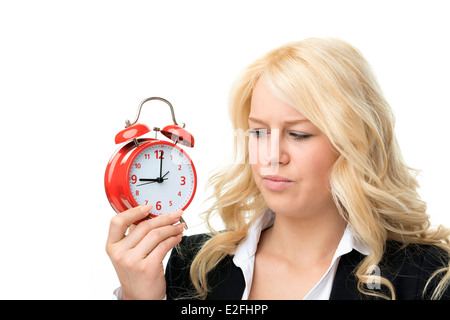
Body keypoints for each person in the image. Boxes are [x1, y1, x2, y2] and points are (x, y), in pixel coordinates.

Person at [106, 38, 450, 300]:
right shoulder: (192, 266)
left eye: (298, 134)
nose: (271, 156)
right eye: (257, 132)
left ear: (354, 143)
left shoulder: (428, 278)